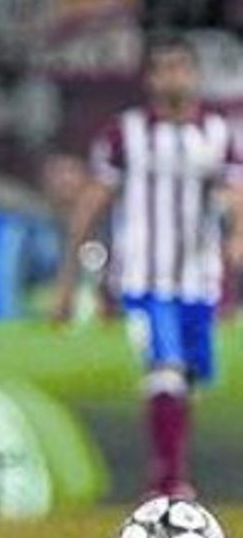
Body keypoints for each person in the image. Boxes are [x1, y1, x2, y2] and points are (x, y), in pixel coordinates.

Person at [53, 32, 243, 499]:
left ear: (196, 75)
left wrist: (235, 240)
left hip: (199, 280)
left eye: (180, 67)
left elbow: (236, 195)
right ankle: (168, 483)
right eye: (162, 68)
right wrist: (68, 280)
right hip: (142, 277)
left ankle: (171, 472)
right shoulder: (126, 134)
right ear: (149, 78)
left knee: (187, 382)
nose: (172, 77)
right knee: (166, 371)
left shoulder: (218, 135)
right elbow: (91, 205)